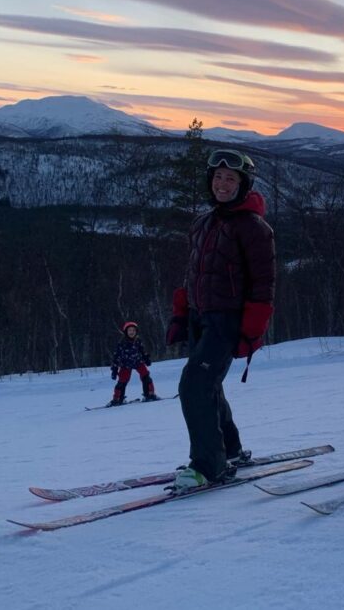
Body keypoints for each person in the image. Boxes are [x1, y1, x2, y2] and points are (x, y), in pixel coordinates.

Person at [165, 148, 275, 492]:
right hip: (201, 317)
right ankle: (230, 450)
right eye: (217, 177)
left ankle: (208, 465)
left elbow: (264, 284)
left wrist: (252, 330)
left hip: (227, 320)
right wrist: (182, 314)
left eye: (230, 178)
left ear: (243, 185)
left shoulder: (254, 228)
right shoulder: (203, 222)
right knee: (209, 385)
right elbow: (193, 271)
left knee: (193, 385)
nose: (222, 184)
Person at [108, 321, 156, 405]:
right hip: (125, 365)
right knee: (122, 381)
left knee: (146, 376)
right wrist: (115, 369)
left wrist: (146, 358)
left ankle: (149, 394)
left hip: (138, 362)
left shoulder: (138, 341)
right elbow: (116, 356)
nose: (132, 332)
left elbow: (142, 351)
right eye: (129, 330)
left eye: (133, 330)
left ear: (136, 332)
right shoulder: (122, 343)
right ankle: (118, 399)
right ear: (126, 332)